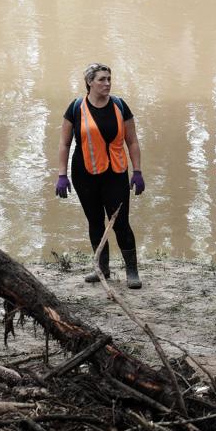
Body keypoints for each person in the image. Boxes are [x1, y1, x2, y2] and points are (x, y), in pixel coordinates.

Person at [54, 62, 145, 287]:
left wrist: (138, 171)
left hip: (116, 174)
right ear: (89, 82)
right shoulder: (75, 108)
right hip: (84, 175)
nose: (107, 83)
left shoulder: (120, 106)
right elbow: (64, 143)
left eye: (109, 79)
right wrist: (61, 175)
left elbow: (132, 141)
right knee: (95, 221)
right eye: (102, 79)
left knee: (121, 222)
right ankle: (102, 269)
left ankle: (132, 272)